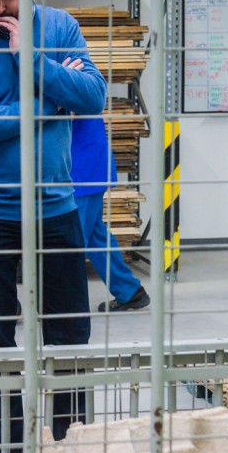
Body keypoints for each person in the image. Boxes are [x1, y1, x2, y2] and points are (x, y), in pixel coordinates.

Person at [0, 0, 108, 445]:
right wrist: (47, 105)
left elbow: (92, 97)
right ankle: (6, 452)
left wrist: (33, 62)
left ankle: (72, 447)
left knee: (70, 335)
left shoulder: (59, 27)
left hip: (55, 208)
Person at [71, 116, 150, 312]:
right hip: (84, 165)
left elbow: (66, 113)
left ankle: (65, 304)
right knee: (96, 237)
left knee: (72, 241)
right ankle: (129, 290)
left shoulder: (79, 94)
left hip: (82, 169)